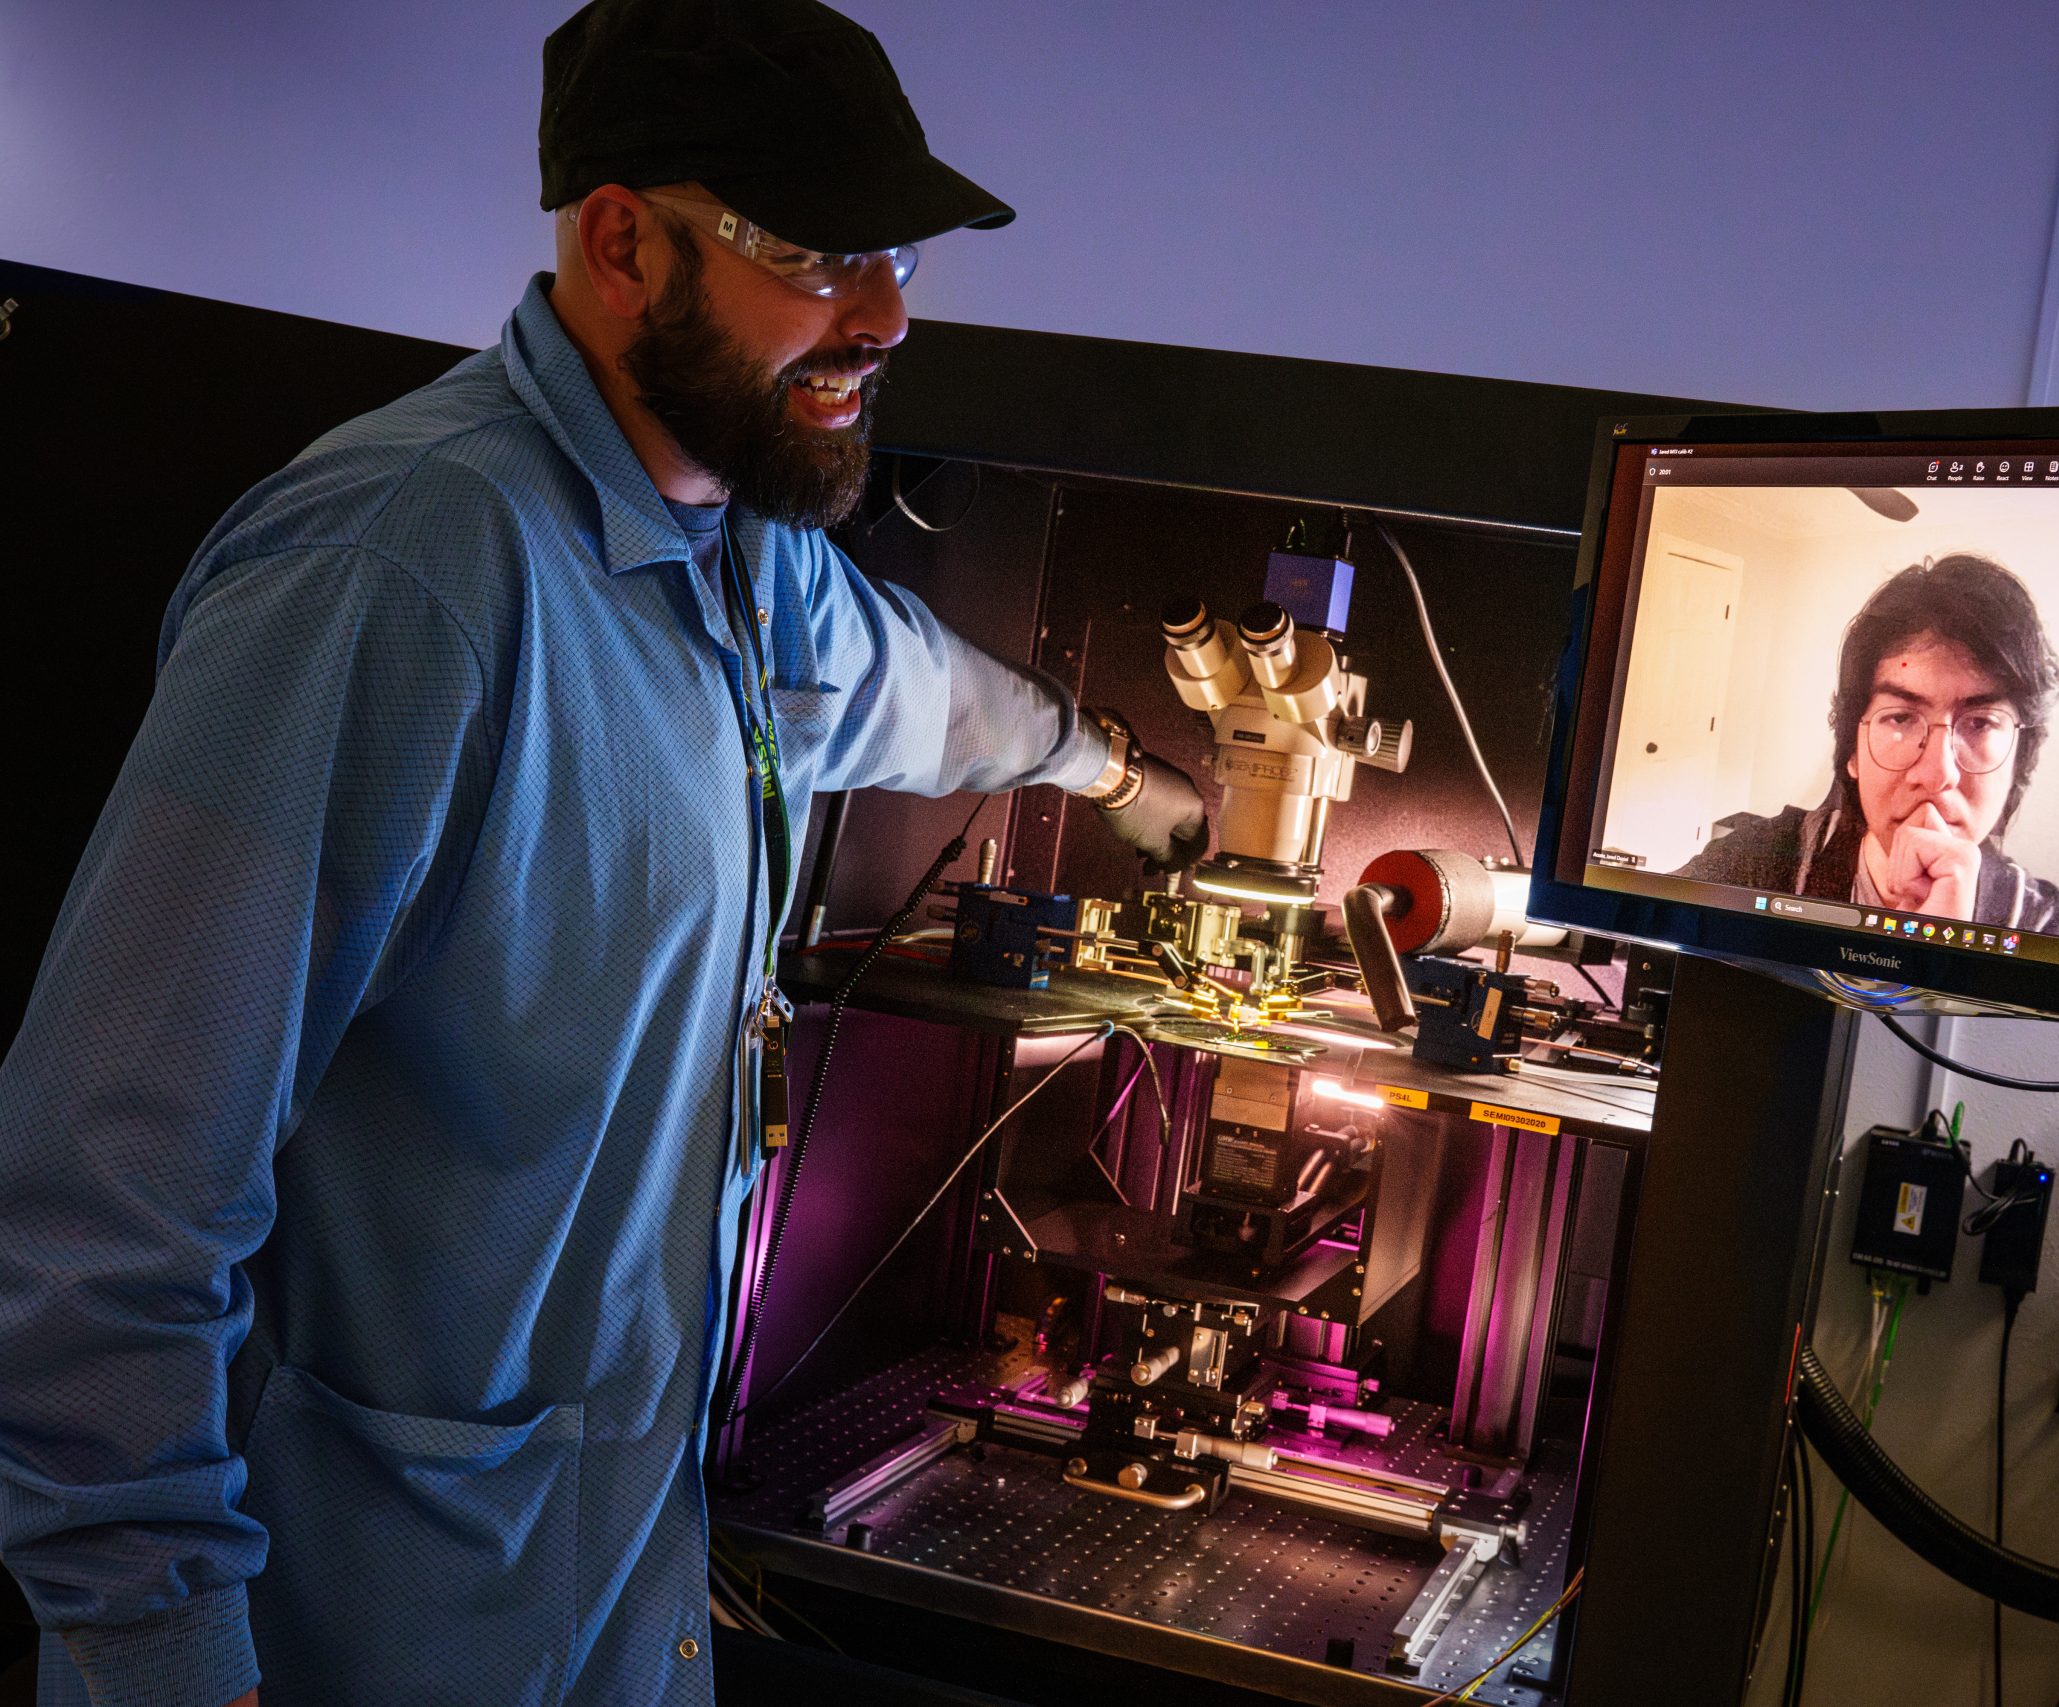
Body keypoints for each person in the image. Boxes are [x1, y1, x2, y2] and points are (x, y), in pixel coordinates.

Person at [0, 4, 1205, 1704]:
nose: (880, 313)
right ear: (620, 239)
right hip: (352, 1633)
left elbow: (922, 690)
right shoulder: (403, 576)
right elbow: (98, 1192)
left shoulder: (734, 554)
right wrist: (157, 1649)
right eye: (816, 251)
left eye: (896, 255)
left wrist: (1123, 769)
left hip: (614, 1610)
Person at [1671, 552, 2059, 938]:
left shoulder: (2055, 932)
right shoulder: (1757, 863)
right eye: (1900, 718)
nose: (1937, 774)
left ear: (2017, 761)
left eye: (1981, 723)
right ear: (1852, 751)